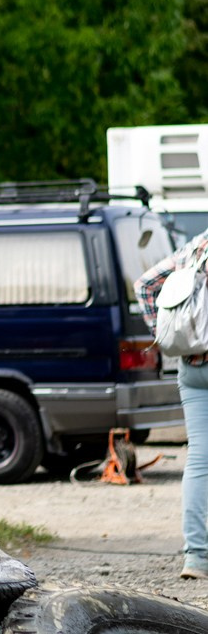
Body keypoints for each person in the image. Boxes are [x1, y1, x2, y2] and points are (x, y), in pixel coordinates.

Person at [136, 227, 208, 579]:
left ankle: (196, 557)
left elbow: (145, 285)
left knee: (199, 459)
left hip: (191, 368)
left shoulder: (193, 249)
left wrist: (162, 333)